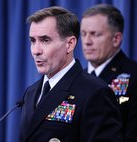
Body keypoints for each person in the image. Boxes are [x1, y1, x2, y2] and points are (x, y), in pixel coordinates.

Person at [19, 6, 123, 142]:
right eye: (33, 41)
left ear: (70, 44)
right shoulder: (31, 92)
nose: (36, 50)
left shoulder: (95, 92)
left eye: (45, 40)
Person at [81, 4, 137, 142]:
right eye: (83, 34)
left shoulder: (134, 76)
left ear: (116, 39)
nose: (87, 41)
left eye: (95, 34)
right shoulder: (75, 79)